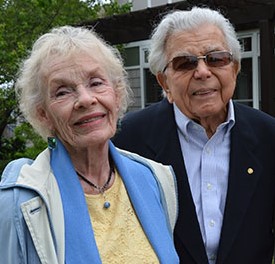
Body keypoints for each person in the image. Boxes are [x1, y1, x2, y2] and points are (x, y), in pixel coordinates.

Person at [0, 26, 179, 264]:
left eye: (96, 83)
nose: (85, 99)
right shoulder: (20, 202)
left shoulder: (156, 178)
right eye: (63, 92)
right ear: (43, 114)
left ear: (116, 94)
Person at [112, 6, 275, 264]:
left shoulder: (269, 136)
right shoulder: (126, 140)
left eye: (216, 58)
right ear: (164, 82)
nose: (202, 72)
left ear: (234, 68)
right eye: (184, 63)